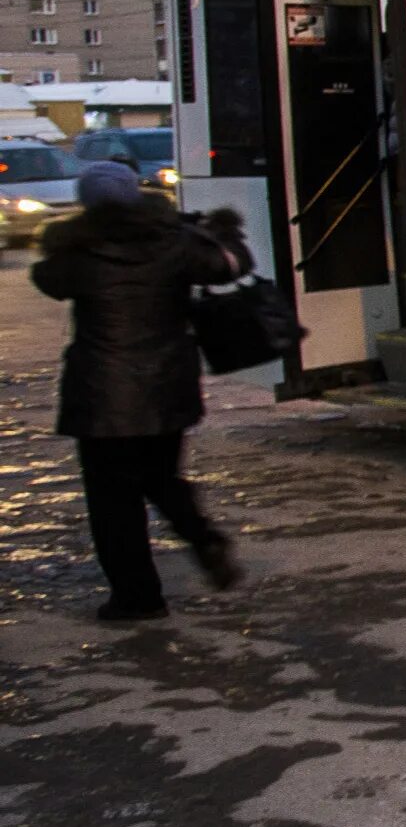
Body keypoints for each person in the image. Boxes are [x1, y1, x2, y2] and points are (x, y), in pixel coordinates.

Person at [30, 160, 254, 622]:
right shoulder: (173, 242)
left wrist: (64, 237)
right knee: (161, 478)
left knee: (112, 499)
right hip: (166, 387)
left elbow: (45, 279)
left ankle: (137, 597)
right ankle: (204, 538)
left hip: (100, 395)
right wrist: (222, 231)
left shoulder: (77, 253)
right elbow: (232, 266)